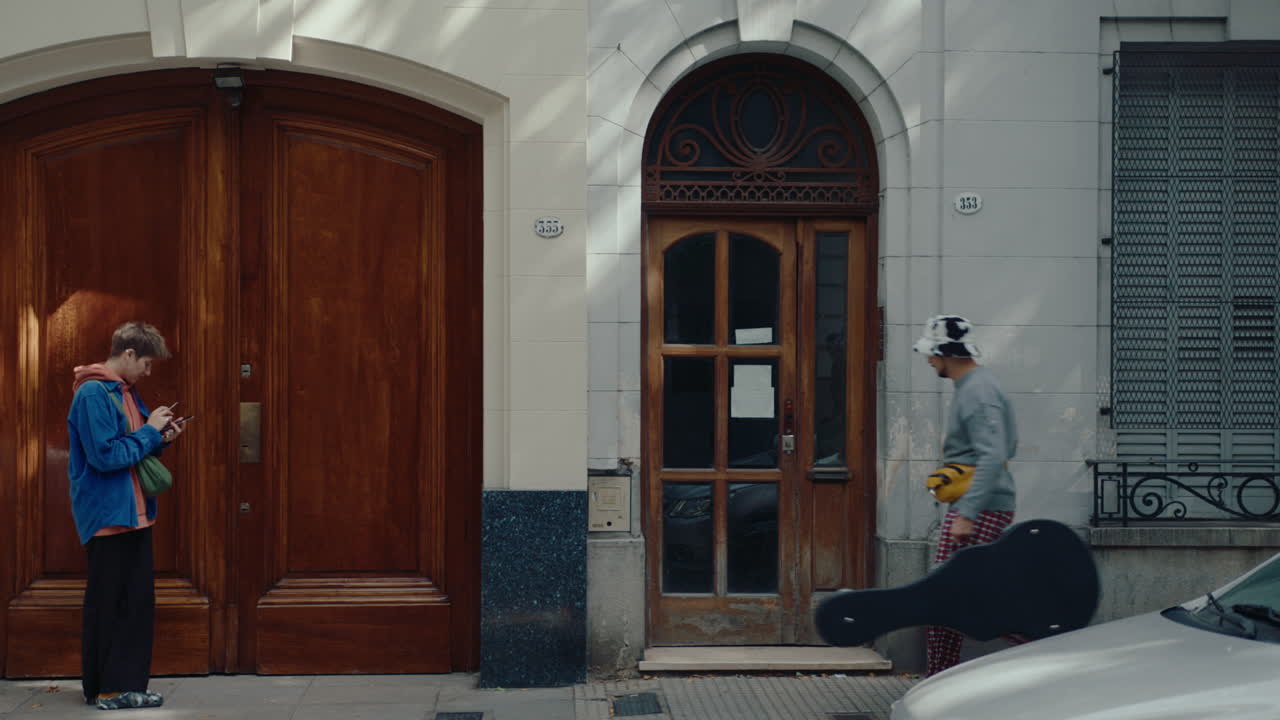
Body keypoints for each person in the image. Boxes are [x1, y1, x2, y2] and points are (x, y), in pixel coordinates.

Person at [67, 322, 183, 710]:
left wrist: (160, 437)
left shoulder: (124, 392)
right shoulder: (93, 393)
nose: (148, 373)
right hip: (109, 515)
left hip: (134, 513)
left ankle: (112, 687)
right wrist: (150, 432)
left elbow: (133, 445)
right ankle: (112, 689)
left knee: (132, 602)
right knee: (115, 604)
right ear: (129, 353)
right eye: (146, 364)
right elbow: (106, 456)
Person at [912, 315, 1018, 676]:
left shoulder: (977, 392)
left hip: (980, 506)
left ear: (946, 352)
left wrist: (968, 514)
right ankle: (940, 678)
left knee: (945, 598)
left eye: (932, 353)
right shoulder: (975, 386)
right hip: (980, 503)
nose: (929, 361)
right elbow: (1003, 448)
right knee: (959, 597)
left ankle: (939, 680)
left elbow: (993, 454)